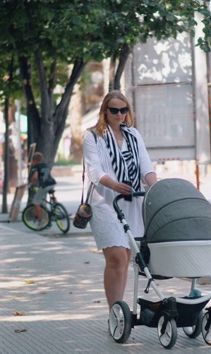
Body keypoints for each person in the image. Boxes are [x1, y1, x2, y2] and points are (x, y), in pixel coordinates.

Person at [83, 90, 158, 311]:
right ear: (105, 111)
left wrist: (158, 186)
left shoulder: (134, 135)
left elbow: (146, 167)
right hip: (105, 202)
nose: (119, 115)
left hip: (132, 201)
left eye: (123, 110)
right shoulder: (92, 135)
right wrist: (114, 185)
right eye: (114, 110)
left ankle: (119, 310)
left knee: (125, 256)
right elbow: (93, 169)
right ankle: (115, 311)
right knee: (116, 255)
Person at [29, 152, 57, 228]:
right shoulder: (45, 165)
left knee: (36, 202)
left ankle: (40, 221)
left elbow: (35, 177)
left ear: (34, 160)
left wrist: (31, 184)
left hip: (44, 185)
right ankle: (55, 207)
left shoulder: (36, 167)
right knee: (46, 197)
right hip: (52, 183)